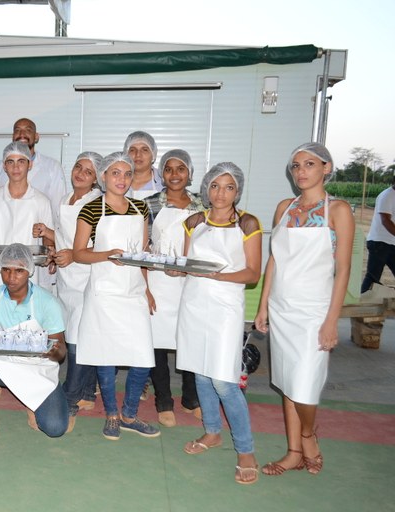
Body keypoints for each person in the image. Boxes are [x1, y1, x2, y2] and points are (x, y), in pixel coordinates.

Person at [255, 143, 354, 477]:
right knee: (287, 381)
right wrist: (264, 305)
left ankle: (308, 435)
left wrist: (331, 320)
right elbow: (275, 259)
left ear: (327, 167)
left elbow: (343, 269)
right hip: (282, 308)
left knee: (305, 385)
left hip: (315, 312)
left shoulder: (338, 210)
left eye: (309, 164)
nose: (301, 171)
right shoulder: (285, 208)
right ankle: (294, 452)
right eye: (296, 165)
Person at [174, 162, 262, 485]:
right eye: (215, 186)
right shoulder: (193, 221)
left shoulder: (248, 223)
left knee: (224, 381)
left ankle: (246, 449)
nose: (221, 193)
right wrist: (173, 268)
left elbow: (252, 273)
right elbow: (187, 264)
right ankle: (212, 432)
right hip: (194, 303)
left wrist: (219, 276)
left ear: (238, 190)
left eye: (228, 187)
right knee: (200, 372)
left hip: (226, 307)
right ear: (206, 188)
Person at [73, 151, 160, 441]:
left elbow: (143, 252)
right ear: (103, 176)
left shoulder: (140, 208)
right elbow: (78, 253)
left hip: (133, 291)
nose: (122, 179)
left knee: (143, 357)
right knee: (105, 355)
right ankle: (112, 414)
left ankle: (130, 415)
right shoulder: (91, 210)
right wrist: (106, 255)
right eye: (115, 173)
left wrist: (146, 288)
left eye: (127, 173)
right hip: (104, 293)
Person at [0, 244, 68, 454]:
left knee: (55, 428)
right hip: (4, 365)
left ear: (29, 271)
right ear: (0, 270)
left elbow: (61, 352)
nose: (11, 277)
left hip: (37, 369)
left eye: (18, 271)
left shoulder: (46, 302)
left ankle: (31, 401)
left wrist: (53, 351)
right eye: (6, 270)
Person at [33, 152, 102, 430]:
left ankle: (70, 398)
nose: (81, 173)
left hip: (87, 277)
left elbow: (103, 244)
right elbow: (65, 237)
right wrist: (49, 237)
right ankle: (87, 394)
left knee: (77, 341)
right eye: (78, 167)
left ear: (96, 179)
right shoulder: (65, 200)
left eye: (88, 171)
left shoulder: (98, 203)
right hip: (66, 279)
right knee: (75, 333)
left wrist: (73, 255)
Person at [144, 150, 204, 427]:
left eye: (181, 169)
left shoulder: (203, 205)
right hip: (159, 281)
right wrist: (145, 287)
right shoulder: (149, 204)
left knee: (190, 340)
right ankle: (164, 401)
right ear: (162, 174)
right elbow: (142, 247)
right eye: (169, 169)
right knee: (157, 344)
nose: (175, 174)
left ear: (189, 173)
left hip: (192, 283)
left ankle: (191, 398)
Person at [0, 141, 54, 292]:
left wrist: (49, 251)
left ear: (30, 165)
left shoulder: (41, 201)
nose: (16, 167)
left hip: (27, 272)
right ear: (4, 166)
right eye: (10, 162)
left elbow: (47, 237)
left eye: (21, 161)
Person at [0, 118, 67, 213]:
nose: (22, 134)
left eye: (28, 130)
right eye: (17, 130)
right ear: (13, 137)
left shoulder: (53, 167)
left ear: (36, 137)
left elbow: (58, 208)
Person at [361, 173, 395, 292]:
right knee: (372, 277)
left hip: (391, 243)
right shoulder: (388, 195)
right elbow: (385, 220)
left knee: (373, 277)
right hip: (380, 242)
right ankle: (362, 300)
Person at [123, 131, 162, 200]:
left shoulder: (164, 183)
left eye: (144, 150)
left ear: (153, 154)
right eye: (132, 150)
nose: (138, 154)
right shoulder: (115, 181)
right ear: (126, 154)